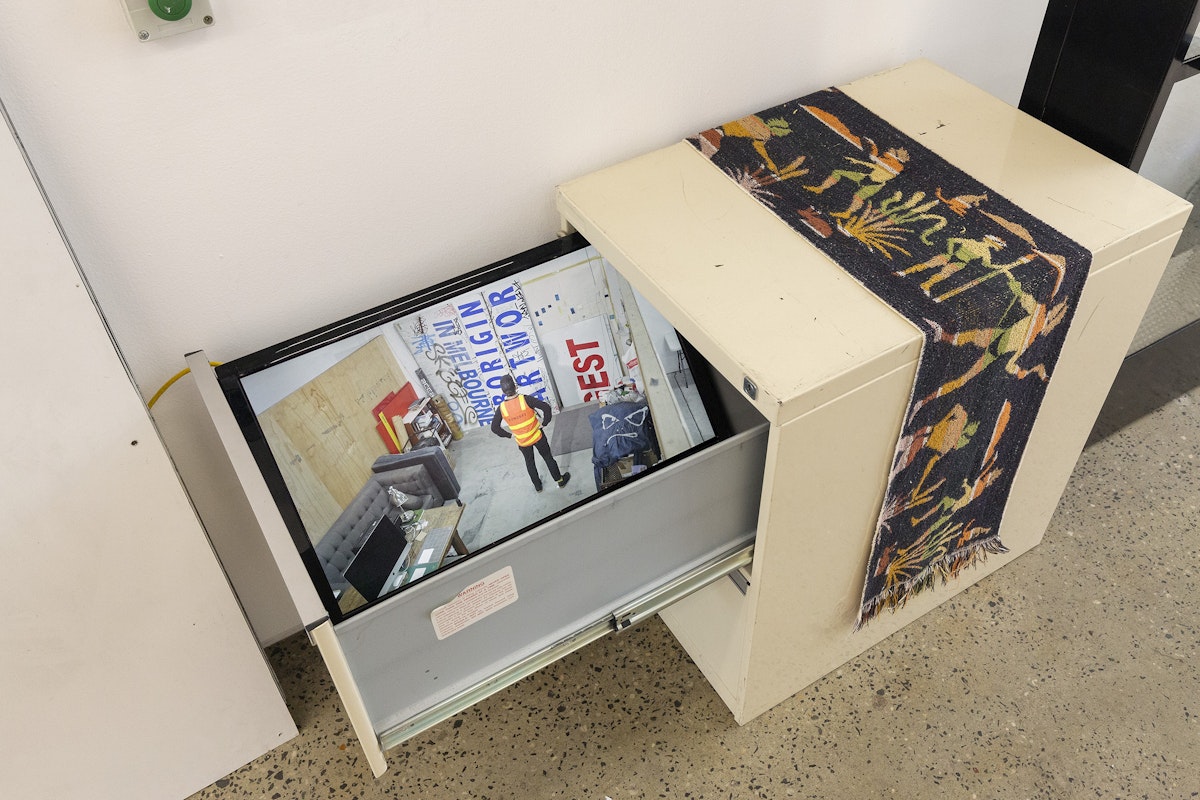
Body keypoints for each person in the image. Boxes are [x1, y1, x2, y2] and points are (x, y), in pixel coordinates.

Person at [490, 374, 571, 492]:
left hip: (523, 442)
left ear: (503, 391)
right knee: (548, 458)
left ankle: (538, 487)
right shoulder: (526, 399)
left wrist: (510, 435)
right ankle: (560, 480)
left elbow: (494, 428)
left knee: (530, 463)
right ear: (515, 387)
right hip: (537, 436)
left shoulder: (502, 408)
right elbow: (546, 408)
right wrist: (545, 423)